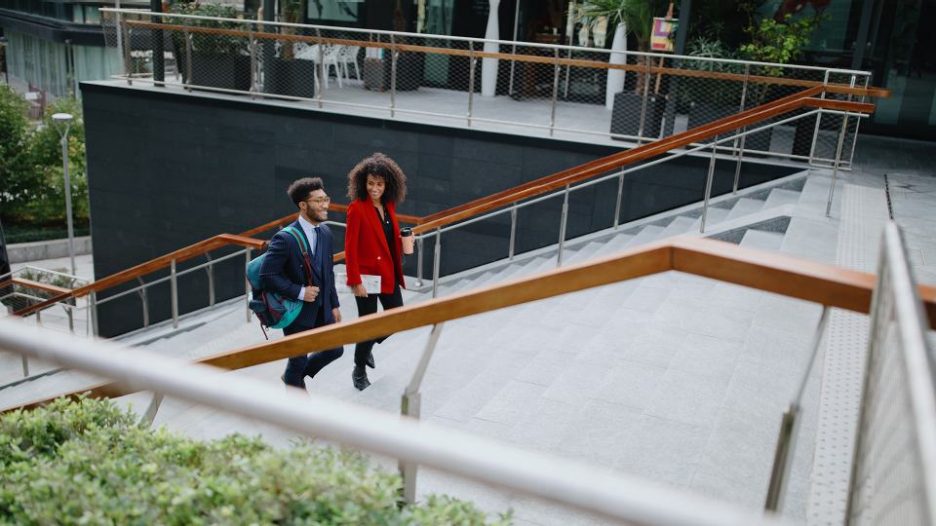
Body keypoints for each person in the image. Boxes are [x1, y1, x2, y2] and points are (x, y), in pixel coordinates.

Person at [260, 177, 343, 390]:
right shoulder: (284, 239)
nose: (325, 205)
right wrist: (299, 291)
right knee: (297, 359)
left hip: (322, 307)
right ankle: (296, 393)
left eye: (326, 199)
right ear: (303, 205)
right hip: (296, 312)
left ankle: (292, 378)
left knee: (335, 349)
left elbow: (328, 272)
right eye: (318, 201)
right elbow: (267, 275)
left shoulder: (325, 232)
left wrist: (334, 304)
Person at [344, 153, 407, 391]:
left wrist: (404, 242)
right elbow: (350, 248)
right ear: (363, 182)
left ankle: (366, 345)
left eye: (379, 184)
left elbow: (386, 239)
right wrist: (355, 280)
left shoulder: (389, 205)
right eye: (370, 183)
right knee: (369, 324)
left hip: (388, 272)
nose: (374, 188)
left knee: (397, 317)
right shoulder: (357, 209)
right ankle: (358, 369)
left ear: (387, 184)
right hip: (367, 277)